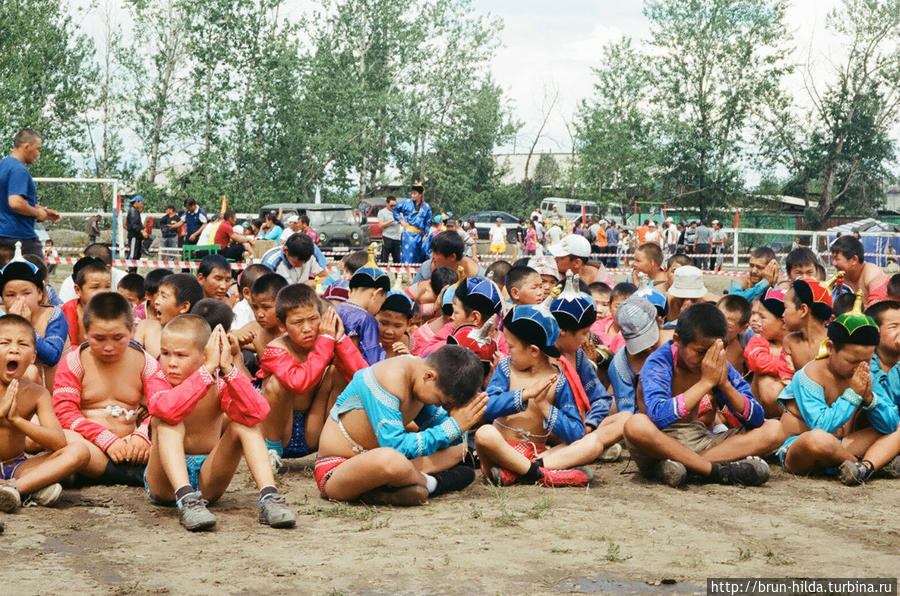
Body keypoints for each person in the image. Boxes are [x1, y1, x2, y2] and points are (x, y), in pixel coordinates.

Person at [145, 318, 295, 531]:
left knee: (245, 424)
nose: (171, 362)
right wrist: (205, 371)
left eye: (181, 355)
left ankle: (269, 497)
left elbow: (258, 412)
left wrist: (228, 368)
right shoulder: (158, 379)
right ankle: (186, 499)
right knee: (168, 421)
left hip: (207, 478)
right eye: (166, 353)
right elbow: (168, 409)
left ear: (205, 355)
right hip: (164, 483)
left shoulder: (217, 382)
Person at [622, 303, 783, 487]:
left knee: (774, 429)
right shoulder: (659, 361)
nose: (706, 359)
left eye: (713, 351)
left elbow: (756, 418)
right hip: (659, 443)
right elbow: (658, 416)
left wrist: (724, 385)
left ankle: (686, 467)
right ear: (677, 340)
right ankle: (714, 471)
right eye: (699, 352)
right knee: (635, 424)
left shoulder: (717, 363)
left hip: (698, 439)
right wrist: (706, 382)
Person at [314, 345, 483, 505]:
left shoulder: (421, 380)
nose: (439, 406)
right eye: (440, 400)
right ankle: (433, 484)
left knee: (458, 447)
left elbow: (449, 435)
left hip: (387, 465)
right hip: (337, 471)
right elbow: (397, 447)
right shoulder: (390, 378)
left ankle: (383, 490)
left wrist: (461, 425)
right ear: (429, 376)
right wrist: (453, 427)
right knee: (391, 459)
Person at [777, 294, 900, 485]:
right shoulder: (808, 375)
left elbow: (890, 424)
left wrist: (869, 399)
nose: (859, 366)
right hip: (803, 451)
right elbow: (822, 427)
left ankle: (863, 468)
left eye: (867, 360)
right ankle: (863, 465)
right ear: (831, 347)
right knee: (818, 440)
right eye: (851, 360)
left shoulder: (864, 373)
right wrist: (852, 395)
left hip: (844, 444)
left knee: (898, 425)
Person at [474, 304, 592, 487]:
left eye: (511, 346)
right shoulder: (506, 368)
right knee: (484, 434)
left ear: (534, 351)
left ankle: (516, 473)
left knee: (589, 444)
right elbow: (488, 407)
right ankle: (543, 475)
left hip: (538, 454)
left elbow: (575, 432)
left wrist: (545, 406)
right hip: (501, 450)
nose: (508, 351)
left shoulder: (558, 380)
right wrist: (525, 395)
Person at [52, 293, 162, 486]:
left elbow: (163, 404)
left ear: (131, 331)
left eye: (118, 338)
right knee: (65, 438)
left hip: (134, 449)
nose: (109, 347)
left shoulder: (146, 362)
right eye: (99, 338)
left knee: (171, 433)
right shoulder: (73, 361)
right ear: (86, 332)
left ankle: (90, 471)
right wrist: (105, 439)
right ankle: (124, 475)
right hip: (89, 445)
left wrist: (143, 434)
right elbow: (65, 413)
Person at [259, 284, 367, 472]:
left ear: (322, 316)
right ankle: (271, 453)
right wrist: (326, 343)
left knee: (337, 373)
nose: (307, 328)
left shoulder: (327, 339)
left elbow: (363, 378)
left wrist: (340, 340)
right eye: (298, 322)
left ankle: (331, 449)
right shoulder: (276, 349)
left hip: (314, 430)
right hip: (279, 430)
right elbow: (298, 383)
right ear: (282, 325)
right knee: (277, 384)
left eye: (313, 319)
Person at [538, 273, 630, 469]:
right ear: (561, 330)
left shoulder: (578, 356)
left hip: (580, 426)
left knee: (626, 418)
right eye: (583, 333)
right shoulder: (538, 356)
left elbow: (600, 398)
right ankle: (583, 449)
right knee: (590, 443)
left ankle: (581, 446)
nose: (587, 339)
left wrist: (590, 424)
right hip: (548, 428)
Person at [0, 315, 90, 516]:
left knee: (79, 451)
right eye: (4, 343)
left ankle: (14, 489)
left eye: (22, 344)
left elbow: (58, 442)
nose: (14, 349)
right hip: (20, 474)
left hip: (18, 466)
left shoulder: (37, 393)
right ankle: (31, 488)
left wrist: (17, 420)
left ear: (32, 357)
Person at [0, 252, 69, 393]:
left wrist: (25, 326)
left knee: (30, 372)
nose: (20, 300)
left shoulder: (53, 315)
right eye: (10, 295)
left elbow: (52, 356)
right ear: (2, 298)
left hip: (46, 391)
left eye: (26, 293)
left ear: (39, 293)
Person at [0, 129, 60, 260]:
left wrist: (43, 210)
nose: (38, 154)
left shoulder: (3, 165)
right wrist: (37, 213)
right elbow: (15, 202)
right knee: (38, 276)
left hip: (2, 234)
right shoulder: (19, 169)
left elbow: (7, 198)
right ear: (27, 146)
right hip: (19, 236)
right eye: (37, 149)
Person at [608, 294, 666, 414]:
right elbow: (627, 413)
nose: (649, 349)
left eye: (652, 342)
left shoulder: (676, 345)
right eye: (642, 347)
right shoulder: (620, 365)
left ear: (660, 322)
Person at [744, 289, 793, 417]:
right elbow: (757, 361)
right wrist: (789, 366)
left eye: (763, 317)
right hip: (762, 415)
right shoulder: (758, 341)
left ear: (783, 322)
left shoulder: (798, 344)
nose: (757, 321)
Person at [336, 251, 390, 365]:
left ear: (350, 291)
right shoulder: (367, 320)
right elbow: (373, 359)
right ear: (377, 294)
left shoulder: (336, 309)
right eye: (382, 303)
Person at [135, 273, 204, 359]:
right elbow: (132, 359)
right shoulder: (145, 327)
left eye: (164, 296)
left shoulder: (198, 337)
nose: (156, 301)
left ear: (184, 307)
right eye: (158, 295)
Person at [233, 273, 288, 375]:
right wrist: (236, 336)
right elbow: (229, 337)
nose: (260, 314)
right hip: (262, 386)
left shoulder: (292, 332)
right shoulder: (256, 329)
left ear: (283, 304)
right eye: (255, 307)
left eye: (266, 307)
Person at [782, 278, 833, 372]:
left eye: (786, 308)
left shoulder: (833, 344)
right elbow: (786, 380)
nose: (783, 314)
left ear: (803, 310)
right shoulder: (790, 342)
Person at [60, 257, 111, 347]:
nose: (103, 292)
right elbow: (68, 347)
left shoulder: (115, 310)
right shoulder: (70, 309)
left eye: (107, 287)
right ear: (78, 290)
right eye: (95, 287)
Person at [830, 236, 890, 307]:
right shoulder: (839, 276)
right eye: (832, 258)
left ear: (854, 259)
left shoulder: (872, 274)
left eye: (837, 259)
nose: (833, 263)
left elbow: (878, 308)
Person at [261, 233, 325, 287]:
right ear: (285, 251)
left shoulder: (310, 252)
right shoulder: (271, 262)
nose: (300, 266)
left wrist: (311, 283)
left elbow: (325, 277)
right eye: (295, 263)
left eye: (305, 263)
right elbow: (265, 291)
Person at [393, 181, 432, 263]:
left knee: (421, 257)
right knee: (408, 258)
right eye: (412, 193)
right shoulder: (406, 203)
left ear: (420, 194)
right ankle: (406, 275)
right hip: (408, 235)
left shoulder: (426, 207)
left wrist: (426, 234)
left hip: (421, 235)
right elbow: (395, 210)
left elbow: (427, 222)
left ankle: (418, 275)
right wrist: (401, 221)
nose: (412, 195)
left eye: (415, 193)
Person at [716, 294, 753, 375]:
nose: (719, 327)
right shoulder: (700, 335)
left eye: (728, 326)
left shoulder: (746, 344)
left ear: (743, 328)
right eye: (717, 319)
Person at [376, 292, 415, 359]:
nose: (389, 331)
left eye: (397, 326)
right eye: (383, 323)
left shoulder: (414, 348)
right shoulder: (364, 341)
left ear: (408, 323)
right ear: (374, 315)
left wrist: (409, 361)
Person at [125, 196, 147, 273]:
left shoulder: (135, 211)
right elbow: (134, 225)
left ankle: (133, 270)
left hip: (137, 237)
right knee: (133, 254)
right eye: (141, 203)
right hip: (134, 237)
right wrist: (142, 231)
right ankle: (130, 270)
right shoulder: (133, 211)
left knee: (136, 255)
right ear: (137, 201)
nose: (142, 205)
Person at [378, 196, 402, 263]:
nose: (393, 207)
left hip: (397, 238)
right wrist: (391, 220)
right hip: (387, 237)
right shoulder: (382, 212)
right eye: (391, 205)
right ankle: (383, 273)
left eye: (395, 205)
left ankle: (397, 273)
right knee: (384, 259)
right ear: (387, 204)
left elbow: (403, 222)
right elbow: (380, 225)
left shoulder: (398, 212)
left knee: (397, 259)